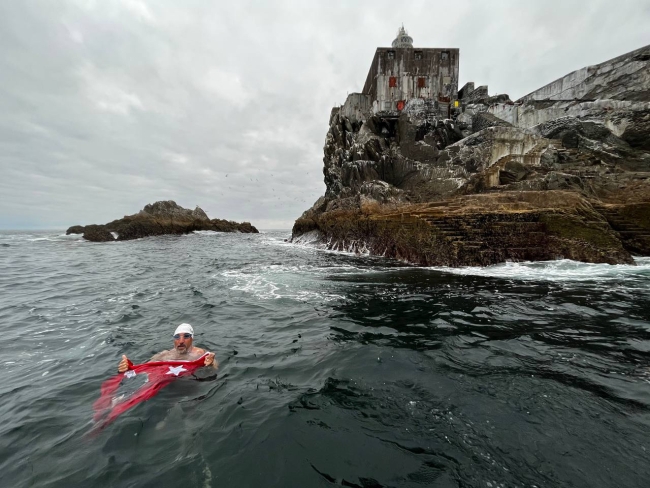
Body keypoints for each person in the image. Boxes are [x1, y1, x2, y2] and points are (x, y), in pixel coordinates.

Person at [117, 323, 217, 373]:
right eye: (177, 337)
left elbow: (215, 366)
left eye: (186, 336)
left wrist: (211, 363)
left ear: (192, 338)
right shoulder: (165, 354)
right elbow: (145, 367)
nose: (181, 341)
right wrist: (128, 368)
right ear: (173, 340)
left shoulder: (200, 353)